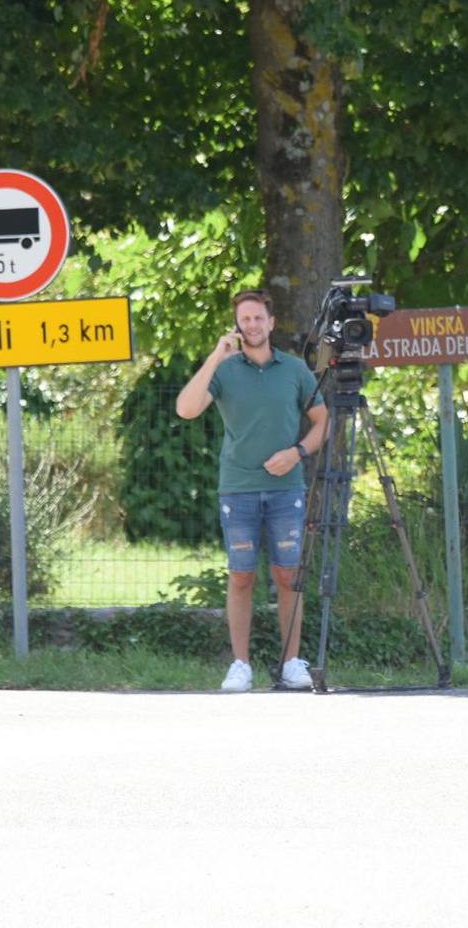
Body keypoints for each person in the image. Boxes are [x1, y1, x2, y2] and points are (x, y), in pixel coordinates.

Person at [176, 289, 328, 693]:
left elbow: (323, 421)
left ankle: (291, 662)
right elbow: (186, 409)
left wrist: (297, 453)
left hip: (285, 489)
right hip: (238, 489)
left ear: (271, 323)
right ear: (237, 325)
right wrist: (216, 355)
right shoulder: (224, 370)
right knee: (241, 576)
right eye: (245, 319)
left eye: (258, 318)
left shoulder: (294, 369)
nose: (252, 325)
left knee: (288, 574)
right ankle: (240, 665)